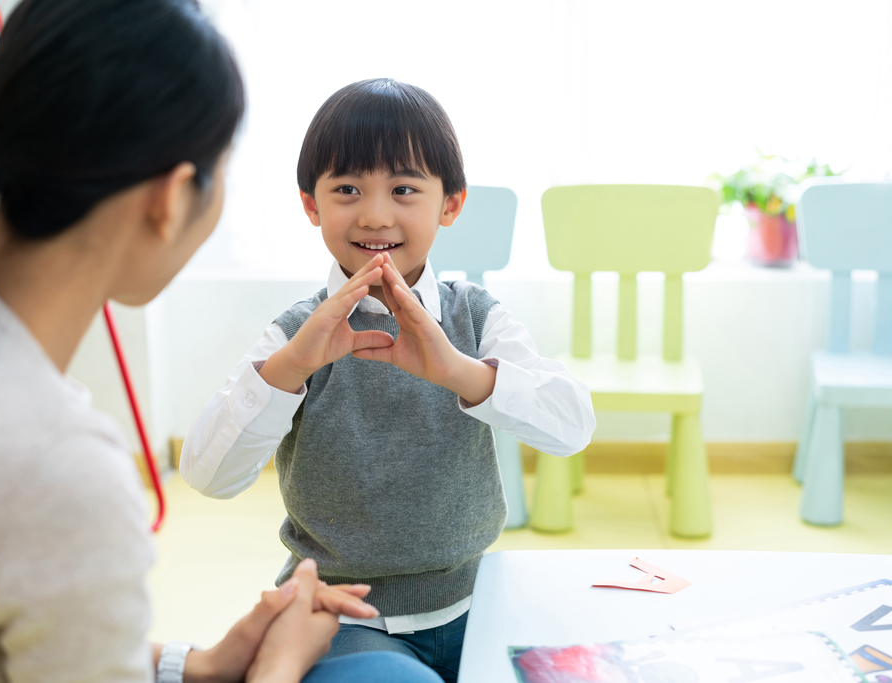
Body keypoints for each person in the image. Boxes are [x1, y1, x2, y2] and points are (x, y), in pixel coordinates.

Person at [0, 3, 442, 682]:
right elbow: (210, 468)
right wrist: (276, 667)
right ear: (170, 198)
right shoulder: (58, 471)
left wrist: (193, 664)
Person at [180, 78, 598, 682]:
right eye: (347, 189)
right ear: (310, 204)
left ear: (450, 204)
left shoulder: (476, 316)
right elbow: (208, 475)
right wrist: (290, 370)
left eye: (404, 189)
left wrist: (458, 371)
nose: (375, 215)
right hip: (341, 619)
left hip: (478, 606)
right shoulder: (296, 334)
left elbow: (573, 427)